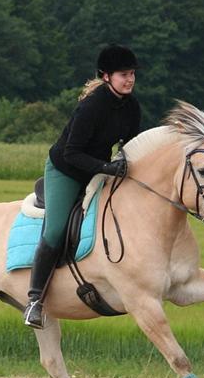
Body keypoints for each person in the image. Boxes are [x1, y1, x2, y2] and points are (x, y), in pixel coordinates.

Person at [23, 44, 142, 329]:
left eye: (132, 74)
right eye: (123, 74)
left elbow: (133, 145)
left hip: (99, 169)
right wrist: (106, 167)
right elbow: (71, 153)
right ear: (105, 77)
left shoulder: (132, 107)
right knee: (55, 230)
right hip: (66, 170)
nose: (130, 79)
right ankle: (34, 301)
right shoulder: (91, 106)